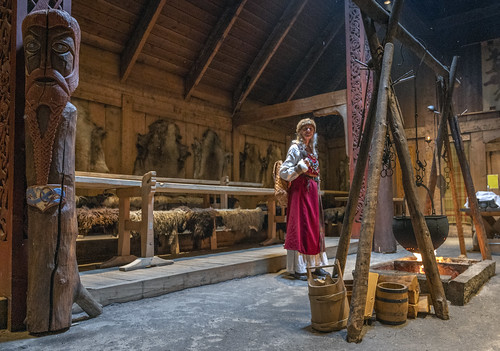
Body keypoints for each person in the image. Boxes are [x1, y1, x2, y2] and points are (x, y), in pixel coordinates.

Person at [280, 118, 329, 280]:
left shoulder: (312, 150)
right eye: (305, 128)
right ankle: (299, 268)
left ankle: (315, 265)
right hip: (300, 192)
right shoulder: (295, 148)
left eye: (311, 128)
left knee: (314, 228)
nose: (308, 131)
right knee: (301, 226)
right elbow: (284, 171)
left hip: (312, 193)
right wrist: (299, 168)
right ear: (299, 131)